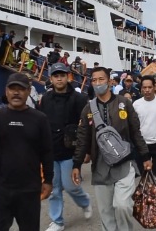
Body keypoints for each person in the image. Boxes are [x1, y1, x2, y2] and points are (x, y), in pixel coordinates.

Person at [71, 67, 152, 231]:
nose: (97, 83)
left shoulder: (124, 103)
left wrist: (145, 156)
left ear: (109, 81)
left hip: (124, 163)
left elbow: (136, 132)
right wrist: (77, 164)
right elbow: (82, 138)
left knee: (122, 205)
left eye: (101, 79)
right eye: (94, 80)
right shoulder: (88, 109)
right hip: (100, 166)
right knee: (106, 212)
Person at [0, 73, 54, 231]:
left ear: (29, 91)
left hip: (29, 190)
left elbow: (47, 151)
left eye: (21, 89)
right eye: (12, 88)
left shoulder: (40, 118)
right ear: (6, 91)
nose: (16, 92)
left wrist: (48, 180)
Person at [38, 63, 92, 231]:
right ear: (51, 78)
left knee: (70, 186)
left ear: (68, 76)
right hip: (50, 150)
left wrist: (87, 150)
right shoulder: (45, 98)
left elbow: (86, 126)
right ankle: (57, 221)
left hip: (71, 150)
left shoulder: (80, 98)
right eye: (55, 75)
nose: (59, 78)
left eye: (62, 75)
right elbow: (41, 123)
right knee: (54, 188)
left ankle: (85, 201)